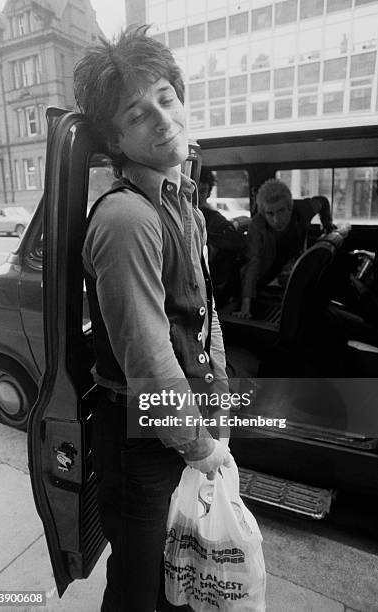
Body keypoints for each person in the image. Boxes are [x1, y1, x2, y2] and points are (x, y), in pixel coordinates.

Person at [74, 26, 231, 612]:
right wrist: (197, 444)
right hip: (142, 439)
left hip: (177, 424)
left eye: (166, 97)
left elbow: (203, 313)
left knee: (177, 577)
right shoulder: (126, 219)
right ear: (117, 139)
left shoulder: (181, 200)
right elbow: (148, 357)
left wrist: (217, 401)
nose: (162, 119)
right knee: (140, 586)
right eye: (137, 115)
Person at [234, 178, 336, 318]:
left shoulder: (304, 208)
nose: (276, 220)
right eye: (270, 213)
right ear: (264, 213)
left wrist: (327, 224)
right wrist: (246, 306)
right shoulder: (257, 225)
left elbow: (323, 201)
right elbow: (253, 263)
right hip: (265, 275)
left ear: (290, 207)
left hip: (292, 265)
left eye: (281, 211)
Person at [198, 167, 247, 308]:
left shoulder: (214, 218)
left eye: (203, 191)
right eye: (194, 190)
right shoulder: (176, 215)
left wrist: (207, 241)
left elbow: (236, 241)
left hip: (209, 283)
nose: (198, 196)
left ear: (208, 193)